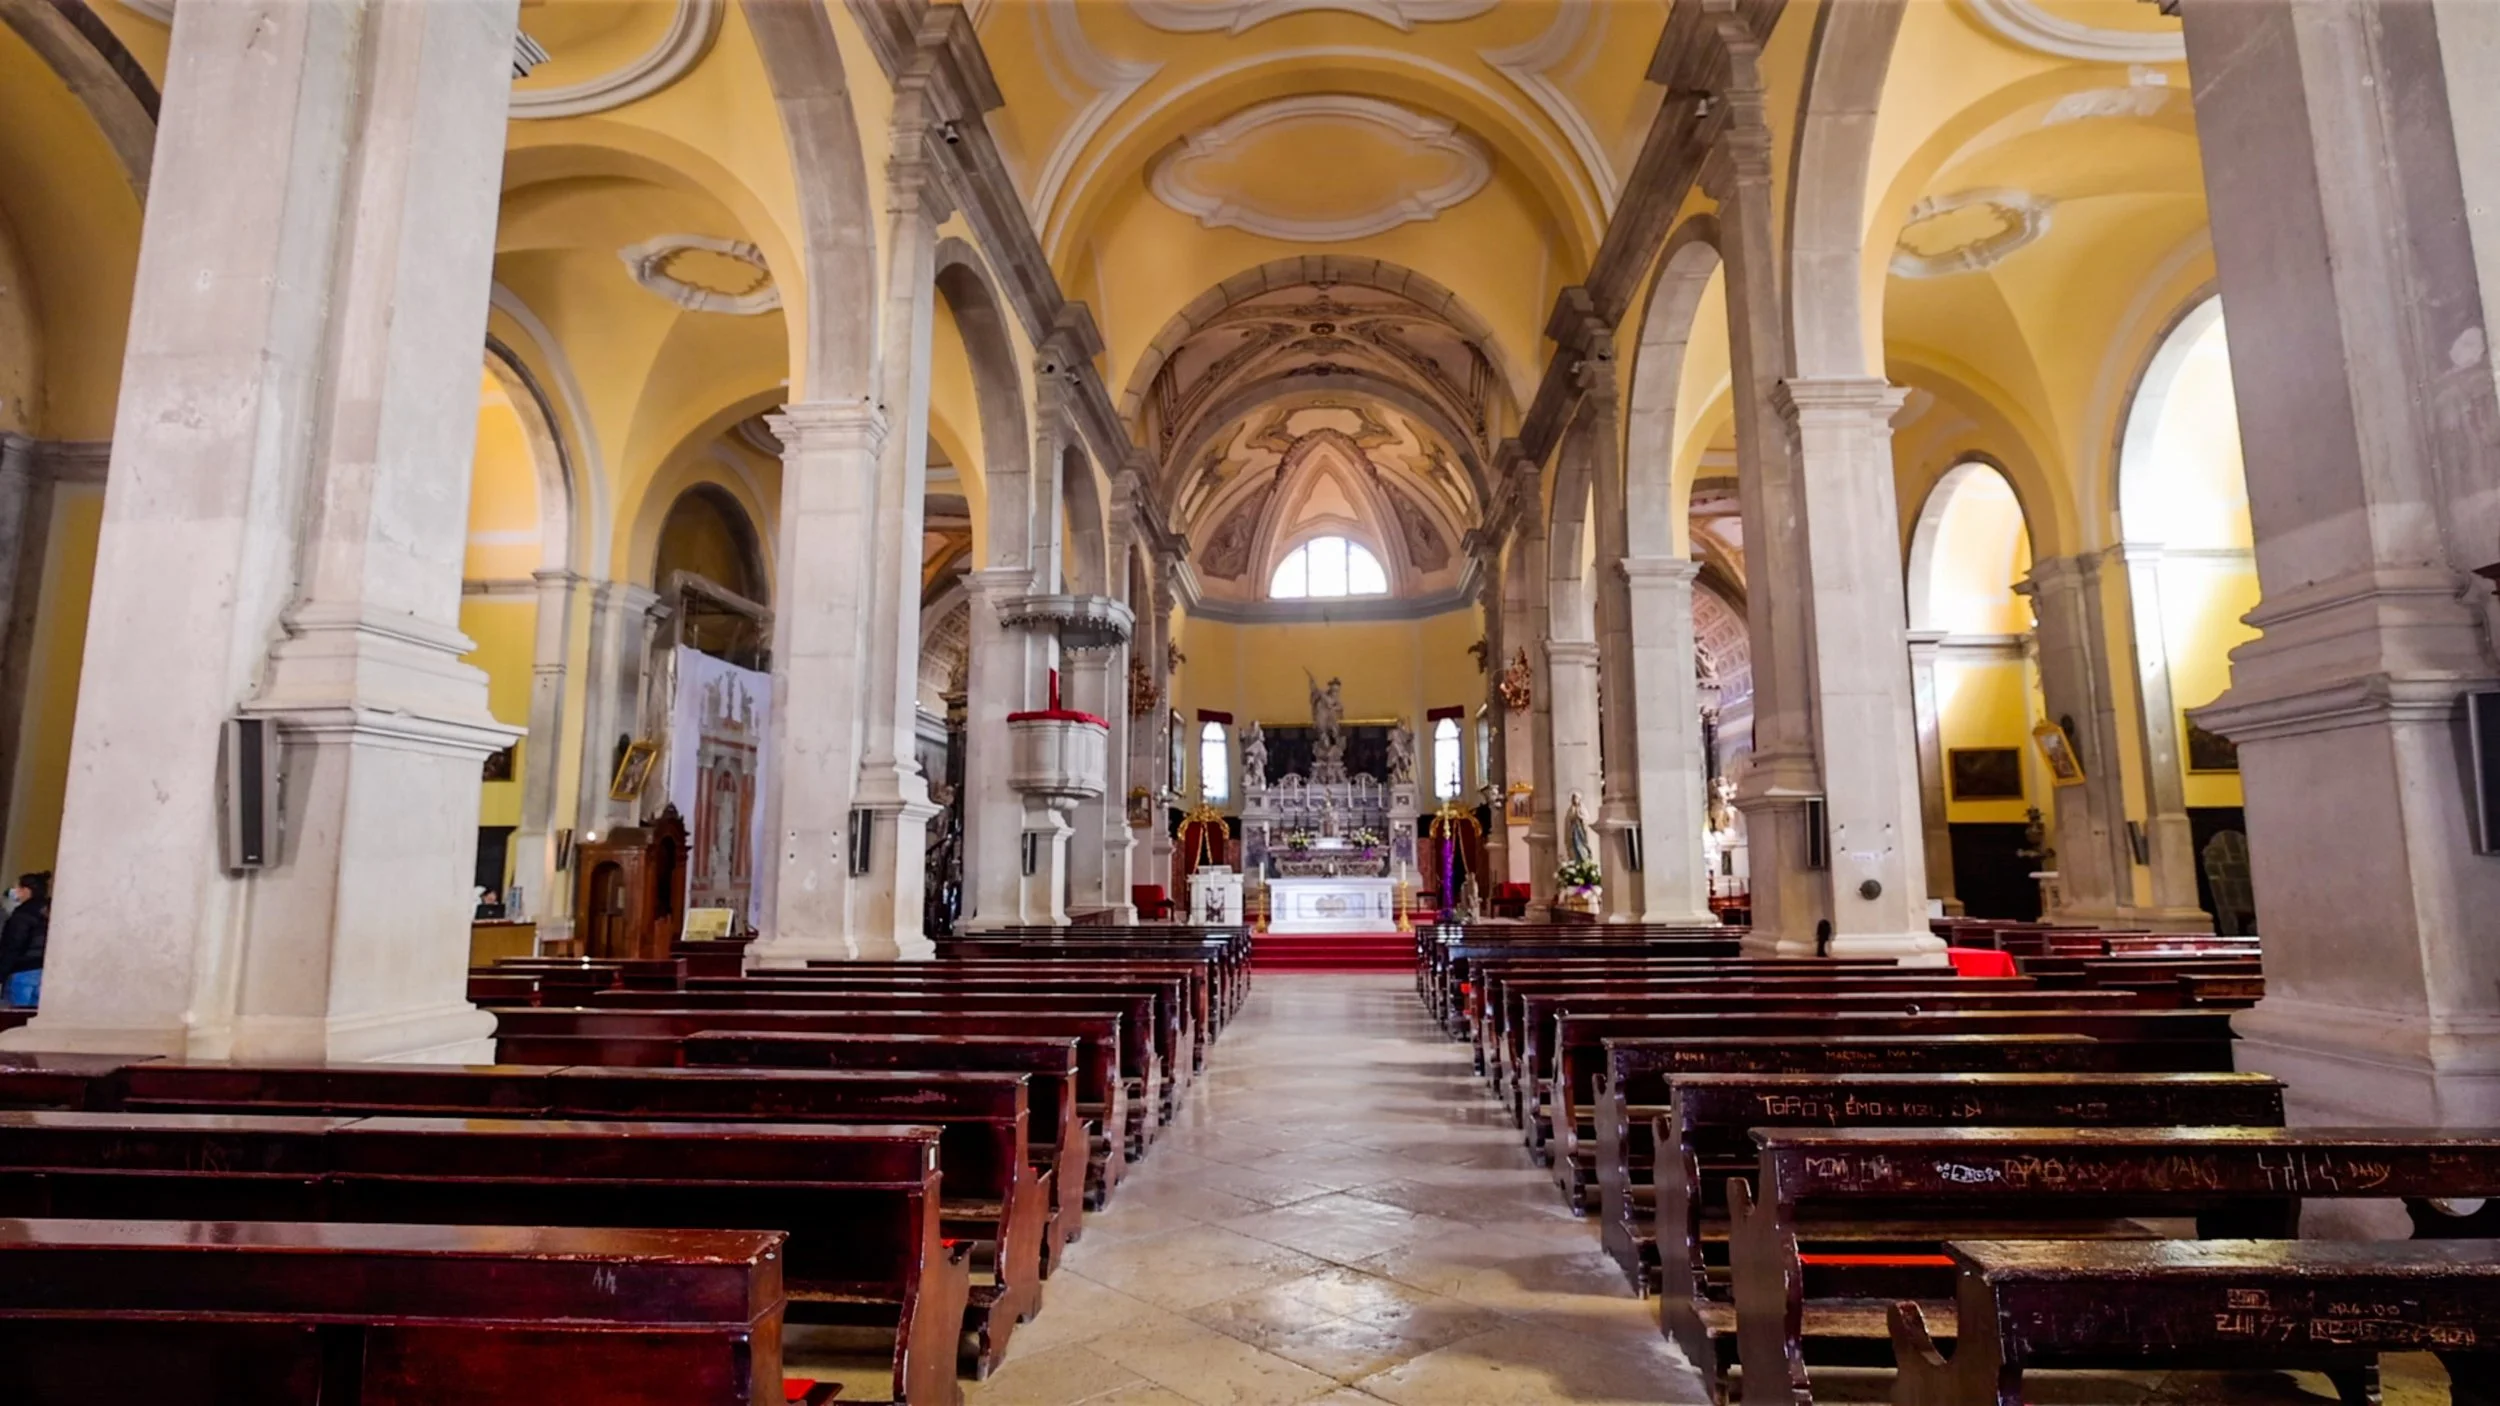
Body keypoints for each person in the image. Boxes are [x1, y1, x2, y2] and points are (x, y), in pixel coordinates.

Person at [1, 871, 50, 1009]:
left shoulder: (22, 914)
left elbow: (13, 945)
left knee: (16, 1020)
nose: (15, 892)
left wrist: (2, 972)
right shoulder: (51, 911)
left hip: (22, 971)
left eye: (18, 888)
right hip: (44, 971)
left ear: (26, 890)